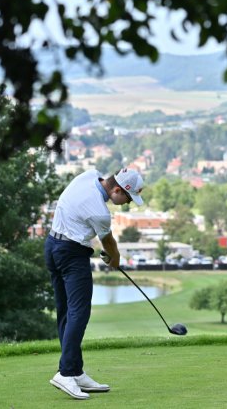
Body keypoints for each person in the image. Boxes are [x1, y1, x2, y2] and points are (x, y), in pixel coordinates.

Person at [44, 168, 143, 400]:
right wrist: (115, 259)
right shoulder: (100, 212)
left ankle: (75, 371)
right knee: (79, 313)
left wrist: (111, 255)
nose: (127, 203)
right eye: (127, 198)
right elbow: (108, 242)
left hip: (52, 246)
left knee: (67, 312)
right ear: (117, 189)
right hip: (71, 253)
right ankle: (65, 372)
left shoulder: (88, 175)